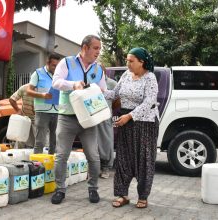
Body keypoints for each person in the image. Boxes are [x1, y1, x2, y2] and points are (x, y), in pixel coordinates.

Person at [51, 35, 107, 204]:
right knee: (61, 155)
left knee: (93, 156)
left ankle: (93, 189)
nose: (98, 51)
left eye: (99, 48)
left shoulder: (98, 70)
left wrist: (95, 90)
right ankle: (59, 189)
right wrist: (73, 84)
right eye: (95, 48)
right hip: (67, 118)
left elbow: (103, 90)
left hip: (89, 120)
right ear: (85, 47)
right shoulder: (67, 62)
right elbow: (56, 82)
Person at [104, 47, 159, 208]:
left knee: (143, 160)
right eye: (127, 60)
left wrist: (129, 117)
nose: (127, 63)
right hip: (125, 121)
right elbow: (114, 94)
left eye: (131, 61)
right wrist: (96, 91)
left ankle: (143, 196)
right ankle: (123, 195)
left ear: (142, 62)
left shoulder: (150, 78)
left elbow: (149, 102)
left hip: (145, 123)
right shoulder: (126, 76)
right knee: (123, 158)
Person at [27, 53, 61, 154]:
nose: (56, 68)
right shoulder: (37, 73)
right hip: (42, 112)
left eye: (57, 66)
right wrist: (42, 95)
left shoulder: (60, 75)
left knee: (55, 141)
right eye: (54, 65)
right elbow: (28, 91)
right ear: (48, 63)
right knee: (40, 141)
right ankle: (38, 165)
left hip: (57, 111)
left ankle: (52, 164)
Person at [97, 68, 117, 179]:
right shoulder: (92, 82)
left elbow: (118, 99)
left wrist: (109, 108)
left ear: (104, 71)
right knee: (93, 143)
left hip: (105, 117)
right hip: (93, 117)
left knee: (106, 143)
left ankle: (106, 167)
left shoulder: (112, 83)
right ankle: (95, 167)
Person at [9, 83, 36, 148]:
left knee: (22, 143)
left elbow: (12, 99)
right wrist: (18, 110)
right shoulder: (25, 88)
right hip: (27, 119)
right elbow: (12, 99)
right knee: (38, 144)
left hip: (29, 120)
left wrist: (18, 110)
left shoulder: (24, 87)